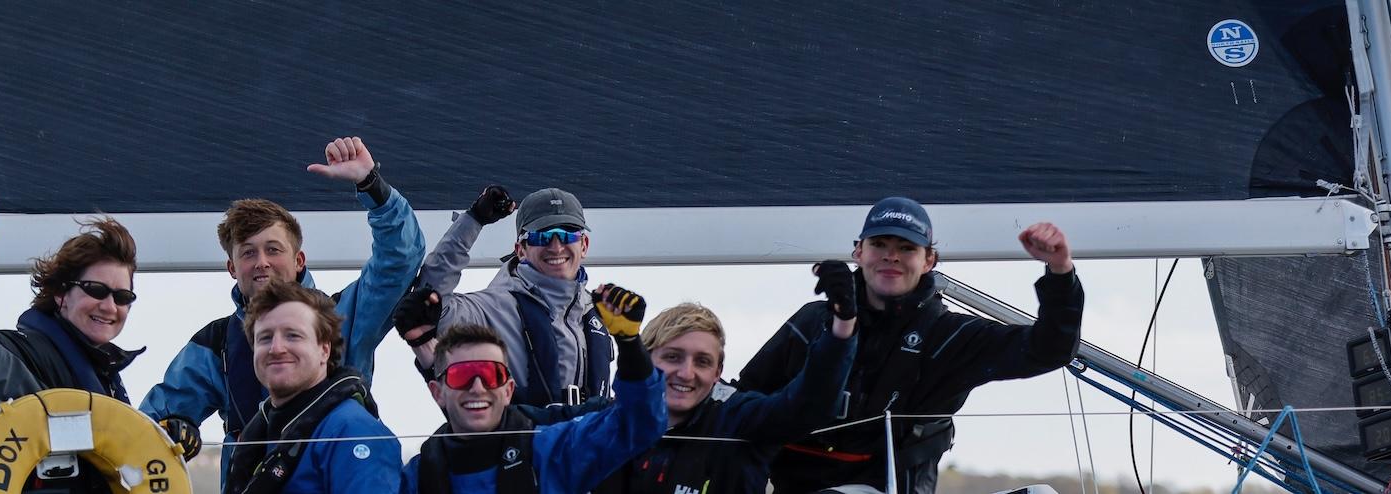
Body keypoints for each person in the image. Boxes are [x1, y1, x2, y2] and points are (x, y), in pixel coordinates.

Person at [737, 196, 1084, 493]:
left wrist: (1059, 269)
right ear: (859, 252)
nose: (892, 257)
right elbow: (743, 401)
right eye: (880, 245)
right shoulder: (813, 322)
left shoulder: (949, 336)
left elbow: (1049, 349)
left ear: (929, 260)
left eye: (906, 248)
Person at [142, 136, 424, 461]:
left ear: (299, 260)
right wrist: (174, 426)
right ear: (232, 268)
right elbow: (152, 421)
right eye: (248, 253)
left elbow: (400, 261)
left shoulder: (344, 317)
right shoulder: (215, 345)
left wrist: (370, 184)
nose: (262, 261)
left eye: (273, 249)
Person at [401, 285, 666, 494]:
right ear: (437, 391)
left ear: (508, 389)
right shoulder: (417, 476)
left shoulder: (550, 452)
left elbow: (639, 424)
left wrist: (630, 343)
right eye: (462, 376)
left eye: (492, 375)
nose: (478, 387)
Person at [593, 299, 858, 494]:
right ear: (645, 360)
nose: (686, 373)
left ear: (718, 372)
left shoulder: (741, 418)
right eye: (672, 357)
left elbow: (805, 407)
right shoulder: (603, 419)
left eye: (702, 362)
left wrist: (840, 333)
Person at [399, 185, 611, 406]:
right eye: (542, 237)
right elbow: (429, 303)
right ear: (520, 249)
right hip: (524, 439)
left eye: (568, 235)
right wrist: (473, 220)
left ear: (584, 245)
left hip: (591, 438)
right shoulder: (491, 309)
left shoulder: (596, 310)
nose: (556, 247)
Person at [0, 194, 141, 404]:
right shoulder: (27, 358)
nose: (109, 306)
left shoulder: (106, 375)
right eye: (96, 290)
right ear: (60, 292)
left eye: (122, 296)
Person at [223, 281, 400, 494]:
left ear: (324, 349)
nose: (276, 348)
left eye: (293, 335)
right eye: (265, 338)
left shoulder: (353, 431)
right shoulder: (261, 437)